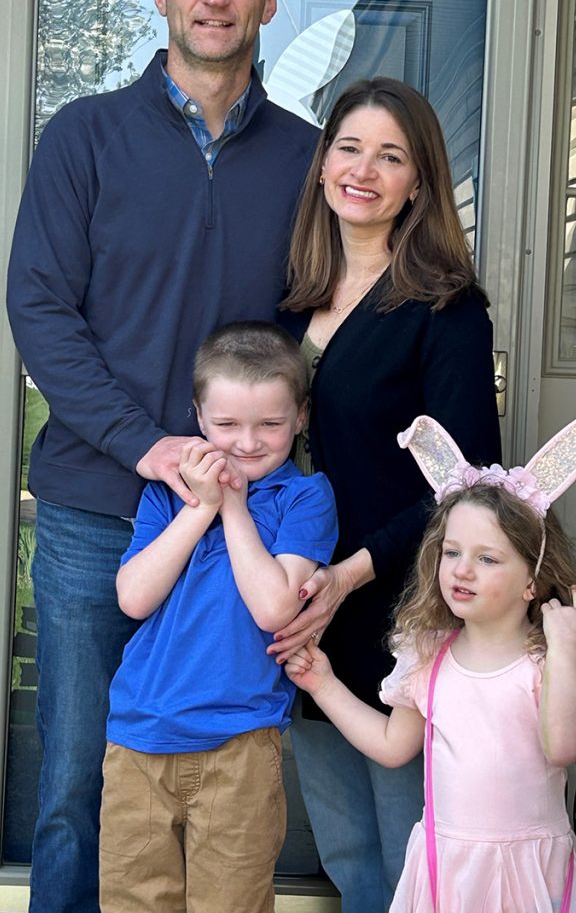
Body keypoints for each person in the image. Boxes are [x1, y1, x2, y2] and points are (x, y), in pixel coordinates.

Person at [5, 0, 318, 911]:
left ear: (268, 0)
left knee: (230, 790)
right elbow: (39, 309)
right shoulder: (85, 138)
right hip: (102, 514)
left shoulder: (309, 161)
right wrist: (146, 446)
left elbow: (329, 328)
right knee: (76, 787)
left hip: (241, 535)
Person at [272, 77, 502, 911]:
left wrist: (350, 575)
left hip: (399, 607)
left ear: (417, 183)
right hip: (305, 607)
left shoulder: (447, 311)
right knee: (346, 851)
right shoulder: (290, 301)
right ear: (322, 165)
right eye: (348, 147)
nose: (363, 170)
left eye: (390, 155)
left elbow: (471, 485)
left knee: (415, 856)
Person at [286, 407, 576, 913]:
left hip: (529, 871)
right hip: (448, 869)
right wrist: (323, 682)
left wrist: (568, 650)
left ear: (532, 579)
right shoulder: (429, 653)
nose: (463, 570)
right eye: (452, 552)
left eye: (488, 558)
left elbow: (564, 746)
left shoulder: (544, 660)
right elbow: (394, 746)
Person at [99, 321, 337, 913]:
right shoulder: (168, 494)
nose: (248, 443)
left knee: (230, 901)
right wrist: (200, 506)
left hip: (240, 742)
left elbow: (275, 607)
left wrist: (233, 507)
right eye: (227, 425)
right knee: (134, 898)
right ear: (199, 420)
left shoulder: (305, 497)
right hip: (140, 736)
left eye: (270, 425)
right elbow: (133, 596)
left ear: (301, 417)